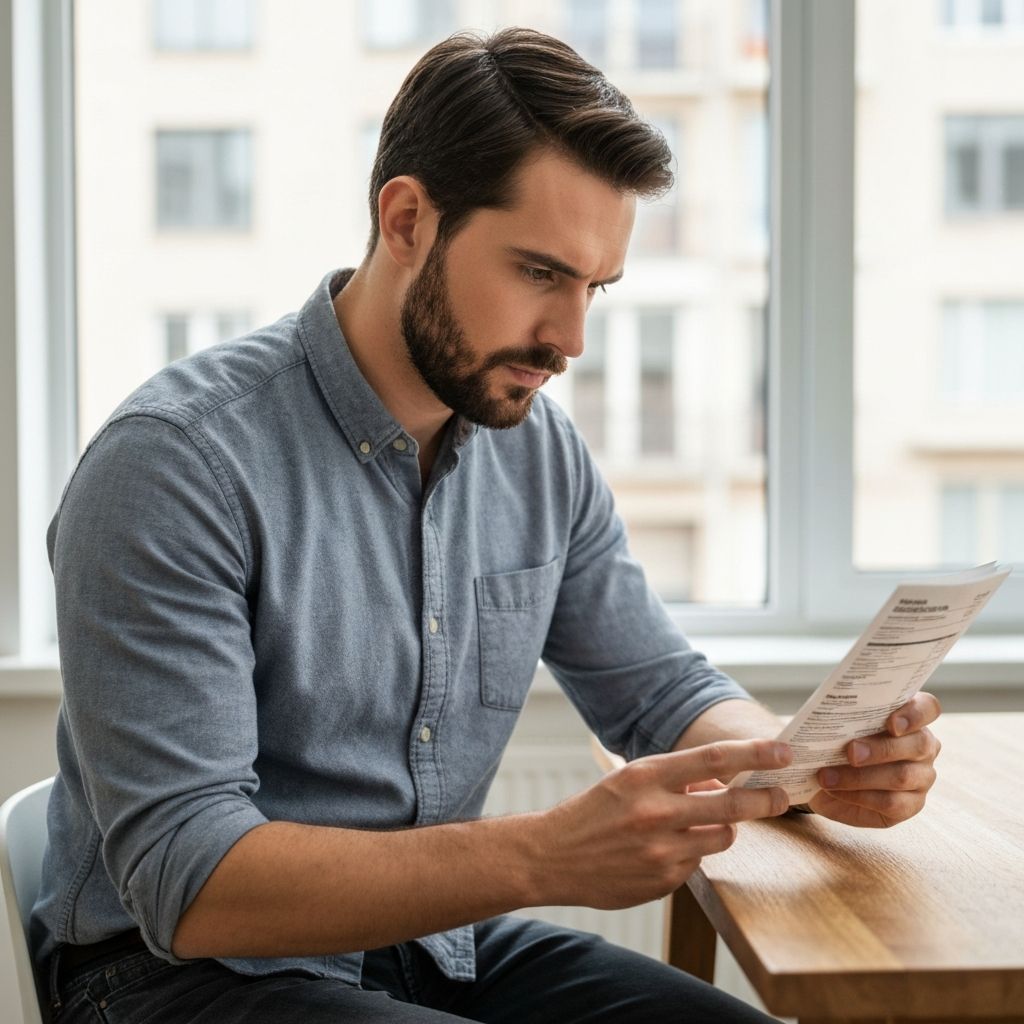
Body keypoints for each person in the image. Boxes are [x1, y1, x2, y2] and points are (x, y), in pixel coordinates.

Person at [35, 27, 941, 1024]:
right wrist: (540, 854)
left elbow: (661, 690)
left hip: (427, 946)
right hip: (176, 977)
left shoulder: (534, 451)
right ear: (407, 219)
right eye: (539, 272)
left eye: (594, 287)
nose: (570, 341)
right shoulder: (174, 464)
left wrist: (805, 767)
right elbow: (189, 880)